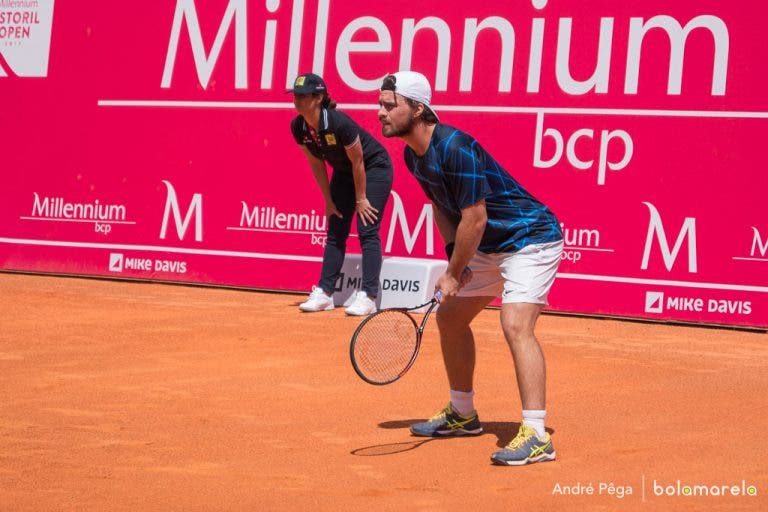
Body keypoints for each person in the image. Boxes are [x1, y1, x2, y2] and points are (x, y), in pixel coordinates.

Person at [377, 71, 564, 466]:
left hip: (529, 238)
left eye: (390, 105)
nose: (381, 113)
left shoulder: (455, 146)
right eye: (381, 104)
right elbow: (441, 207)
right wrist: (452, 258)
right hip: (487, 246)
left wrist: (453, 271)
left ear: (418, 108)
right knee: (450, 317)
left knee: (515, 323)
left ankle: (536, 433)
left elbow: (474, 217)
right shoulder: (414, 155)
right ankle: (463, 413)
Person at [290, 73, 393, 315]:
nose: (297, 100)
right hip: (345, 171)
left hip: (373, 167)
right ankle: (325, 294)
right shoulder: (298, 126)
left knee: (367, 227)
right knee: (336, 228)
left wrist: (361, 199)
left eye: (303, 96)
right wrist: (328, 200)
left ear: (319, 97)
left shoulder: (338, 123)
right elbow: (316, 163)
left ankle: (368, 295)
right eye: (295, 95)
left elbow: (358, 161)